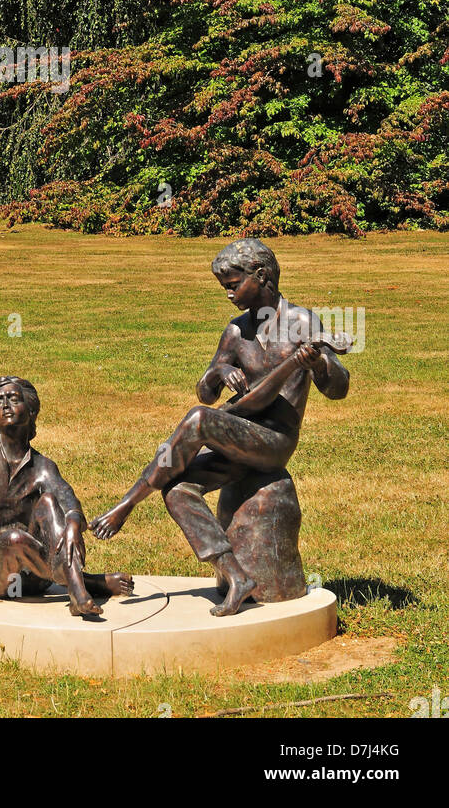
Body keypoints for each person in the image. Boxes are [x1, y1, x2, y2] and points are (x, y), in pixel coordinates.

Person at [90, 239, 350, 616]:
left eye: (233, 284)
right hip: (237, 435)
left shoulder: (301, 323)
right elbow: (206, 392)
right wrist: (218, 370)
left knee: (198, 420)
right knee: (178, 489)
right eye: (224, 286)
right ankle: (234, 575)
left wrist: (319, 364)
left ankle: (128, 503)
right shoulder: (235, 332)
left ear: (262, 276)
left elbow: (338, 388)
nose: (228, 294)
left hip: (274, 441)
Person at [0, 376, 134, 618]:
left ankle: (77, 590)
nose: (5, 405)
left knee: (49, 502)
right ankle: (84, 583)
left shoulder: (43, 467)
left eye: (14, 399)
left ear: (31, 410)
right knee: (14, 538)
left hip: (35, 579)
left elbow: (69, 502)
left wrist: (73, 524)